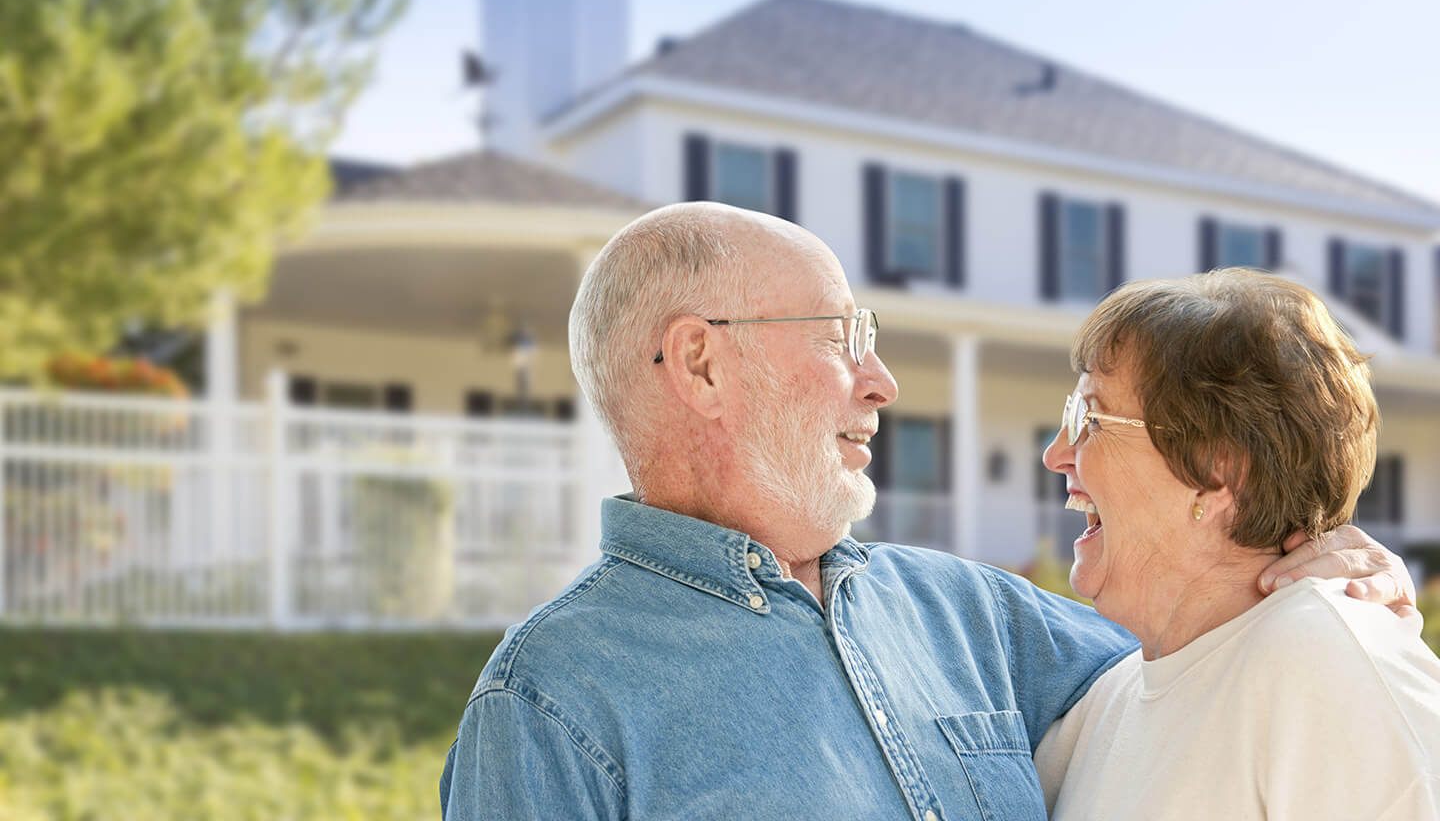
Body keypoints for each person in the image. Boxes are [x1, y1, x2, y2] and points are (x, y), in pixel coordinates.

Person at [440, 203, 1416, 820]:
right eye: (843, 336)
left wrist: (1324, 563)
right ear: (701, 362)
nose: (883, 381)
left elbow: (1210, 648)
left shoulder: (974, 615)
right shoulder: (547, 709)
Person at [1033, 268, 1440, 820]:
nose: (1056, 453)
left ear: (1217, 468)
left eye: (1090, 418)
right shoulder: (1102, 706)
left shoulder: (1325, 663)